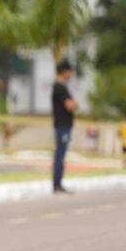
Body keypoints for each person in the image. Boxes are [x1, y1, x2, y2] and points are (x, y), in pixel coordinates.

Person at [52, 59, 77, 194]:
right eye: (69, 71)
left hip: (64, 125)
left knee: (61, 154)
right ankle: (57, 184)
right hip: (62, 126)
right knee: (60, 155)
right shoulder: (59, 87)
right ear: (64, 71)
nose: (71, 74)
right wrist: (74, 104)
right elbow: (70, 105)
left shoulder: (63, 87)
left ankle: (58, 183)